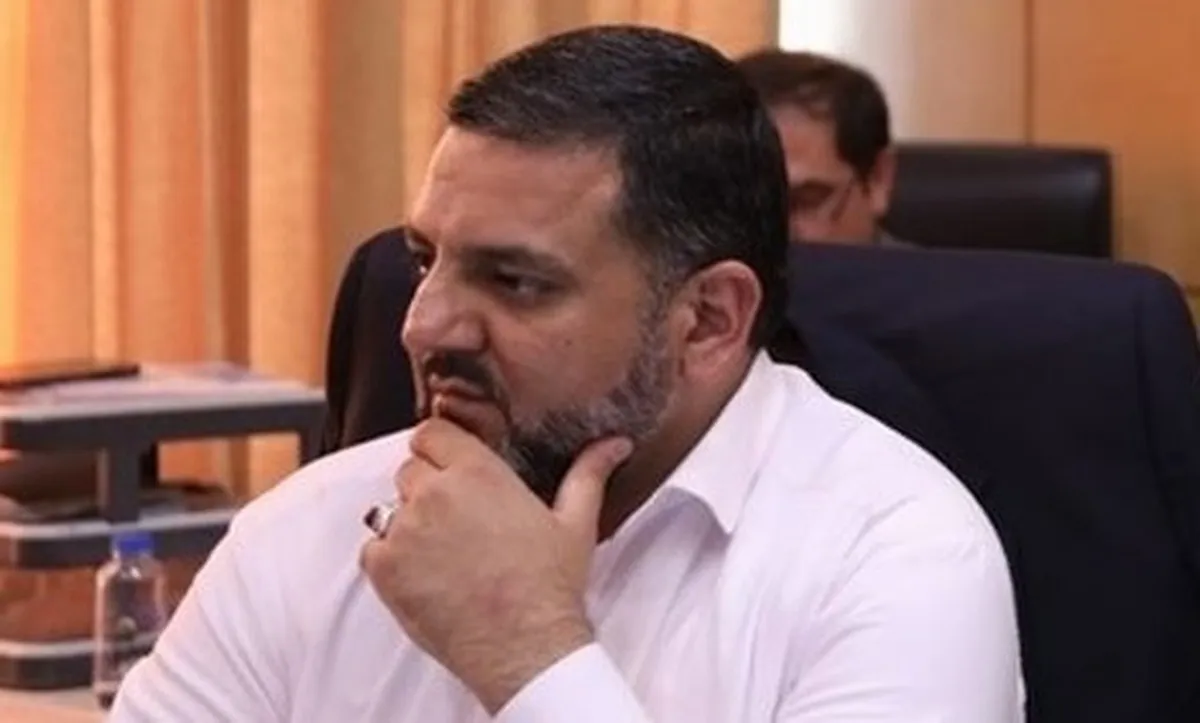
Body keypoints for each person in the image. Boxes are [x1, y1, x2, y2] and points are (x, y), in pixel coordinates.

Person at [110, 26, 1022, 722]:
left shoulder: (900, 558)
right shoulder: (307, 529)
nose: (422, 324)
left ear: (709, 318)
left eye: (515, 281)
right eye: (425, 259)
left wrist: (530, 653)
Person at [736, 49, 906, 247]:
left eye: (805, 201)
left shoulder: (933, 270)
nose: (771, 236)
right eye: (742, 207)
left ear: (878, 179)